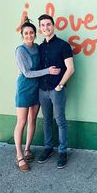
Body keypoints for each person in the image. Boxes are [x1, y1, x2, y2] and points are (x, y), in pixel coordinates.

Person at [14, 17, 60, 172]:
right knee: (21, 122)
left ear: (35, 33)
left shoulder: (38, 47)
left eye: (31, 32)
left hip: (37, 88)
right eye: (26, 33)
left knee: (32, 119)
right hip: (24, 88)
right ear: (22, 35)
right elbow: (27, 73)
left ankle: (27, 149)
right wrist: (48, 71)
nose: (29, 35)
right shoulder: (20, 50)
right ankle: (19, 156)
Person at [37, 14, 74, 169]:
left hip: (56, 89)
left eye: (48, 24)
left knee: (60, 120)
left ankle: (62, 151)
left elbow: (71, 69)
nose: (46, 27)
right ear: (40, 28)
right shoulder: (39, 47)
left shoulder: (63, 45)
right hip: (42, 90)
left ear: (53, 25)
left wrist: (60, 85)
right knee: (46, 120)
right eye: (43, 25)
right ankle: (48, 148)